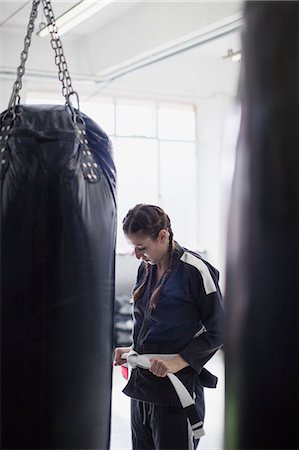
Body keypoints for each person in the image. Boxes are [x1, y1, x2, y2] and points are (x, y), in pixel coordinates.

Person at [114, 204, 224, 450]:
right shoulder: (146, 268)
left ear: (162, 236)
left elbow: (218, 330)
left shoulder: (196, 272)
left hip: (175, 391)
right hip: (142, 388)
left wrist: (179, 361)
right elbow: (151, 323)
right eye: (133, 247)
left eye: (141, 247)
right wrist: (133, 349)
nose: (136, 254)